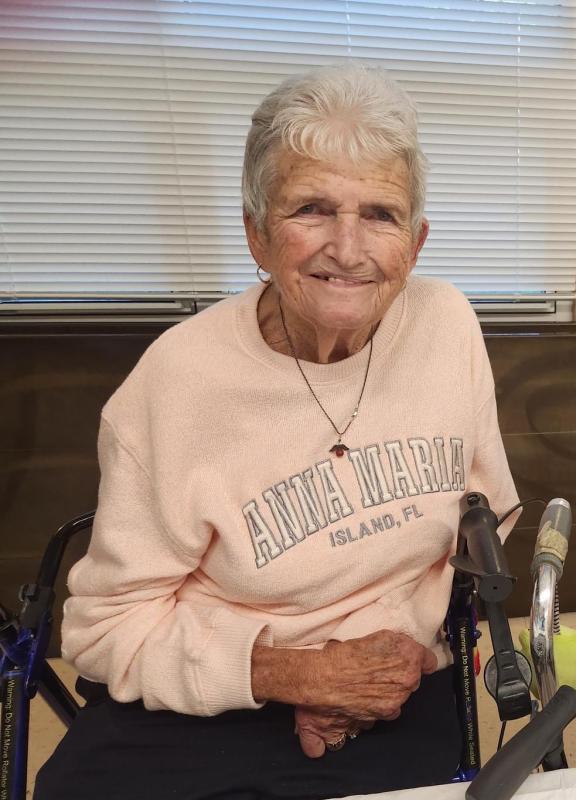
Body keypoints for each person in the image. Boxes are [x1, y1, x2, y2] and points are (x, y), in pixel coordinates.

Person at [36, 63, 519, 800]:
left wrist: (381, 660)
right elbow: (103, 633)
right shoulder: (176, 382)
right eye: (312, 209)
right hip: (199, 689)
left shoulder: (445, 326)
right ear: (257, 236)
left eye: (381, 215)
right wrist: (292, 673)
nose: (348, 248)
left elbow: (478, 529)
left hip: (388, 683)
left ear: (416, 244)